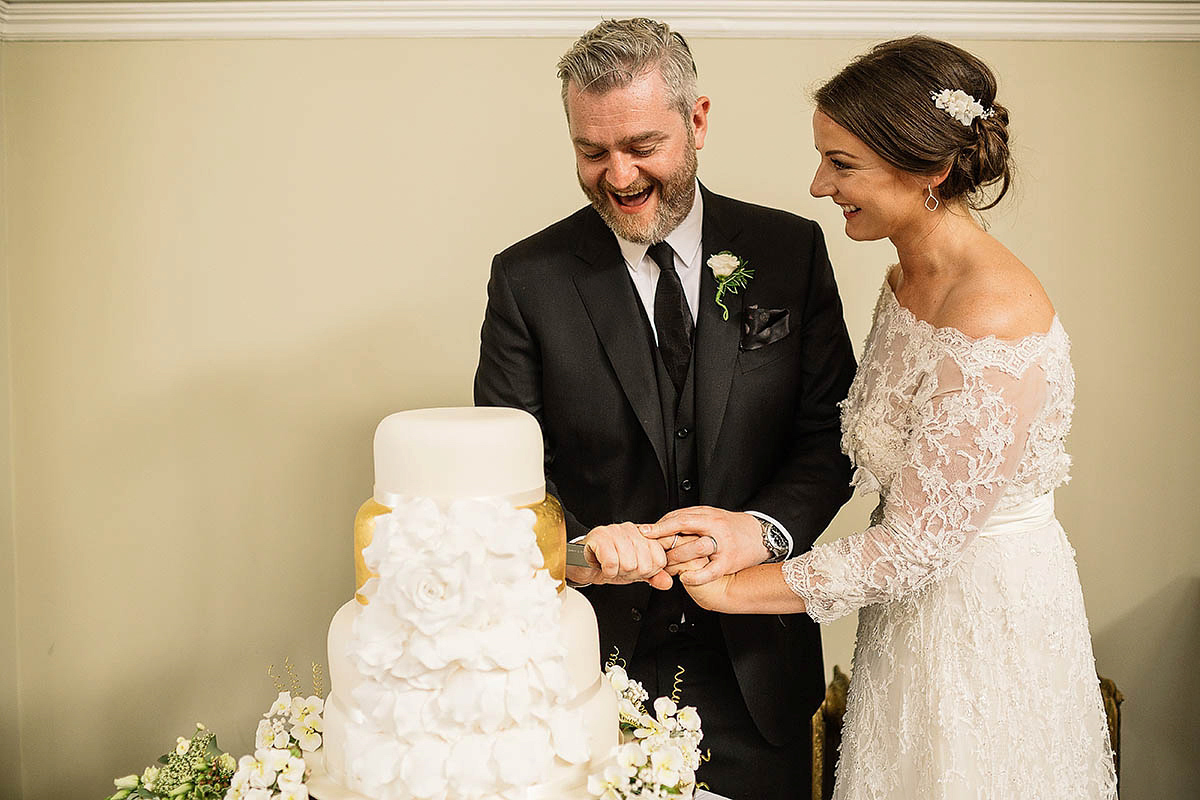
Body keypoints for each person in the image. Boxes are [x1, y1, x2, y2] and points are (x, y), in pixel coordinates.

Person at [665, 36, 1119, 798]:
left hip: (984, 628)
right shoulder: (906, 277)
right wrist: (744, 526)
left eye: (842, 164)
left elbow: (917, 546)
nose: (818, 185)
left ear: (931, 170)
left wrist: (736, 588)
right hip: (907, 624)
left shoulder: (993, 317)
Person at [474, 18, 857, 798]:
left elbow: (831, 437)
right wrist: (580, 550)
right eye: (592, 151)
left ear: (698, 120)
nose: (618, 175)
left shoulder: (790, 251)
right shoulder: (526, 280)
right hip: (587, 673)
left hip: (761, 673)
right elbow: (504, 483)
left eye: (642, 145)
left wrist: (761, 532)